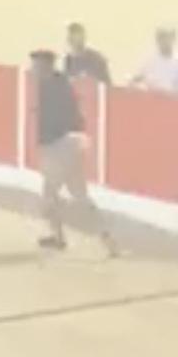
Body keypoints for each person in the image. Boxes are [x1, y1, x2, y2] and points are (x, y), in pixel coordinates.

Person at [30, 49, 117, 255]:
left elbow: (51, 123)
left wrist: (44, 145)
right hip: (72, 144)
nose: (33, 70)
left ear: (45, 66)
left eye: (36, 65)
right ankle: (107, 238)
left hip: (60, 146)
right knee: (80, 197)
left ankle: (59, 238)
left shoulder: (49, 87)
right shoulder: (60, 83)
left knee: (49, 195)